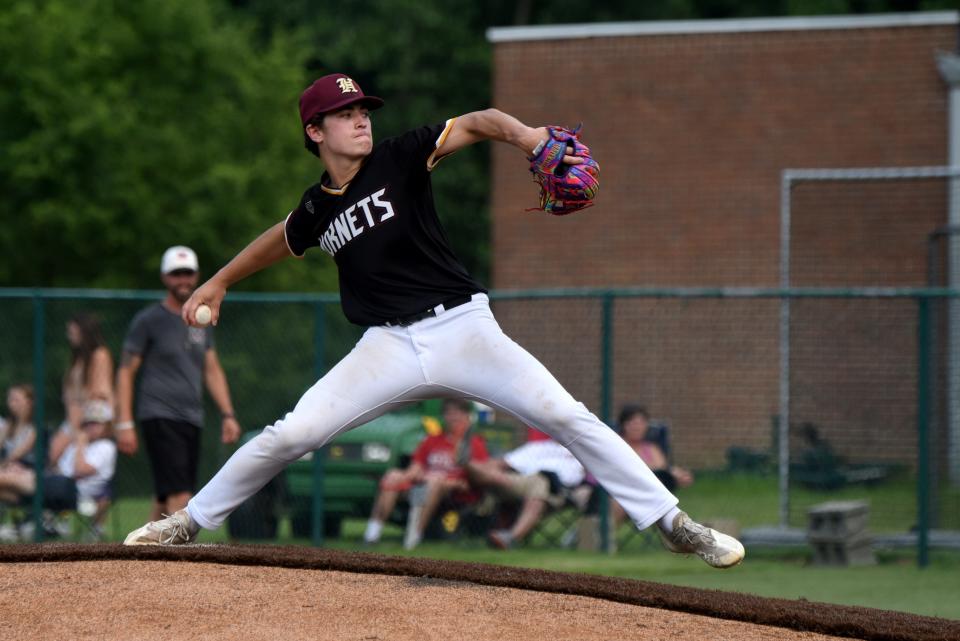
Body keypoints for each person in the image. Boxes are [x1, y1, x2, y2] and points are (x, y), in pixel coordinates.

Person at [123, 73, 744, 569]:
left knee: (564, 415)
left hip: (463, 330)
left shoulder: (400, 156)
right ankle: (188, 523)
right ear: (315, 131)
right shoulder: (317, 207)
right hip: (386, 345)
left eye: (364, 109)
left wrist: (528, 137)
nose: (361, 118)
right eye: (345, 114)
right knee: (290, 434)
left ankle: (672, 523)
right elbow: (279, 238)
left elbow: (478, 122)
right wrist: (220, 280)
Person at [115, 245, 242, 522]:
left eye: (188, 273)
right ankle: (177, 561)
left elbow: (212, 369)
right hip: (159, 415)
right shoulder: (149, 320)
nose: (182, 279)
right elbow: (125, 372)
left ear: (196, 276)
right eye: (176, 274)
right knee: (181, 494)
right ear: (164, 277)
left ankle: (141, 555)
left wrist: (227, 414)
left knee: (164, 496)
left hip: (191, 417)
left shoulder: (201, 320)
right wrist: (124, 422)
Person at [363, 398, 488, 550]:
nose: (453, 417)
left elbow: (480, 475)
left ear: (467, 416)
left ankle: (414, 536)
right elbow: (416, 467)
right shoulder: (432, 440)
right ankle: (372, 534)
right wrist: (402, 477)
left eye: (458, 413)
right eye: (449, 413)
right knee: (393, 475)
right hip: (423, 485)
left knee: (434, 481)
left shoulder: (474, 443)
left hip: (453, 491)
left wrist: (451, 481)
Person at [0, 399, 117, 537]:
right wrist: (24, 472)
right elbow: (57, 467)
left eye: (97, 423)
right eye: (88, 423)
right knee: (5, 487)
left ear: (107, 426)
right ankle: (21, 526)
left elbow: (80, 470)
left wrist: (80, 444)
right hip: (54, 485)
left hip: (72, 491)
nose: (91, 427)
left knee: (6, 476)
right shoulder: (80, 444)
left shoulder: (105, 446)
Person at [467, 427, 587, 550]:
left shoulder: (579, 454)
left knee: (540, 481)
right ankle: (481, 523)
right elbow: (499, 463)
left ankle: (511, 538)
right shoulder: (538, 447)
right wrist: (496, 475)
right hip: (517, 481)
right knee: (473, 466)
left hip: (556, 489)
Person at [611, 404, 694, 530]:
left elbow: (662, 470)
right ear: (623, 425)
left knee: (665, 496)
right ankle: (602, 539)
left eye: (641, 422)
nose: (637, 426)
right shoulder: (616, 445)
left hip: (647, 496)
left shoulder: (651, 449)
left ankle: (680, 535)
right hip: (619, 493)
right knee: (619, 504)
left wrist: (676, 474)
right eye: (632, 422)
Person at [62, 312, 114, 432]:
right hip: (75, 412)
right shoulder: (77, 359)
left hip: (93, 414)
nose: (69, 336)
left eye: (72, 333)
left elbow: (99, 390)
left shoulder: (100, 355)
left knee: (58, 447)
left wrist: (78, 410)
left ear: (84, 332)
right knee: (56, 447)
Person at [0, 384, 37, 469]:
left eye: (16, 399)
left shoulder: (35, 429)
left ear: (29, 402)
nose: (11, 403)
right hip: (8, 467)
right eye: (10, 399)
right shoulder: (8, 425)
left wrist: (2, 466)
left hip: (25, 468)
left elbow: (17, 455)